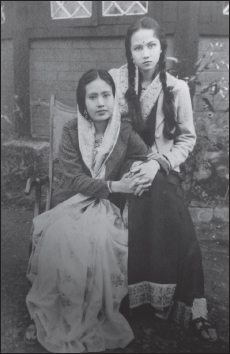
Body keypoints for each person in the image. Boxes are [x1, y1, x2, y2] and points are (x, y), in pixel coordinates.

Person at [24, 69, 153, 353]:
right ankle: (56, 314)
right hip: (72, 201)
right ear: (84, 103)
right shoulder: (72, 129)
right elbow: (73, 179)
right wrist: (115, 184)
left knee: (99, 238)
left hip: (107, 206)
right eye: (92, 97)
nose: (100, 103)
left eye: (106, 95)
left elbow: (146, 156)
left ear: (114, 98)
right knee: (62, 236)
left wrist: (138, 172)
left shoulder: (123, 130)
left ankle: (93, 314)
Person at [109, 17, 218, 342]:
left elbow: (186, 138)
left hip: (162, 169)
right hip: (121, 170)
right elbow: (104, 129)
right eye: (138, 47)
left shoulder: (177, 88)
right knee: (141, 198)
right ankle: (132, 300)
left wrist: (159, 163)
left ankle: (191, 306)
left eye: (151, 45)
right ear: (129, 51)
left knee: (172, 210)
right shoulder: (116, 82)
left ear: (161, 48)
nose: (145, 53)